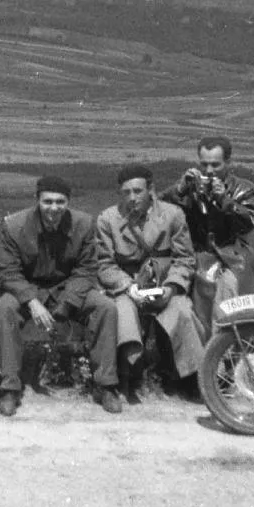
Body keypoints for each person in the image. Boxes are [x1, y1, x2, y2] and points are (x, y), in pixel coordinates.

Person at [0, 175, 100, 418]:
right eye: (47, 202)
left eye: (60, 202)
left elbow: (86, 269)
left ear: (68, 202)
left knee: (105, 306)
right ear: (37, 200)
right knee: (6, 308)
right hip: (27, 289)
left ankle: (106, 383)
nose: (54, 208)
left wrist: (68, 302)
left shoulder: (84, 224)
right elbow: (9, 272)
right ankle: (9, 387)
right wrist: (32, 301)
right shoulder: (15, 226)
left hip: (67, 289)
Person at [83, 163, 201, 410]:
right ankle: (125, 376)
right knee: (122, 312)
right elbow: (104, 264)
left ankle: (192, 378)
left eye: (138, 191)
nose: (132, 198)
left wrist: (171, 287)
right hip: (128, 286)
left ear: (151, 190)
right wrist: (128, 287)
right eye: (126, 192)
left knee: (182, 312)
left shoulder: (172, 215)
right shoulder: (108, 219)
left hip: (164, 285)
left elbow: (185, 259)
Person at [160, 135, 254, 336]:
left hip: (232, 256)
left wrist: (225, 200)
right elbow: (159, 212)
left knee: (227, 290)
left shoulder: (244, 188)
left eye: (215, 165)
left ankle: (224, 346)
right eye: (204, 164)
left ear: (228, 163)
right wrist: (179, 190)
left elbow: (249, 221)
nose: (208, 171)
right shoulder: (189, 187)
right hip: (195, 255)